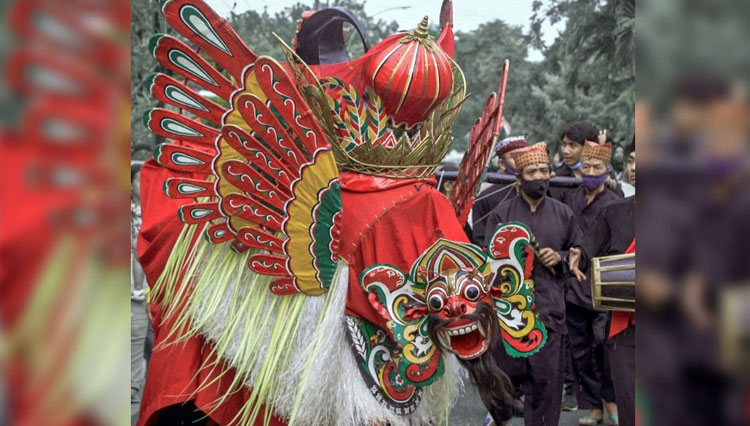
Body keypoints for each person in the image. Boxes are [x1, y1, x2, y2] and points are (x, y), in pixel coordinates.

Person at [484, 142, 580, 426]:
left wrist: (560, 257)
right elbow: (490, 260)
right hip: (510, 311)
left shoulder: (564, 214)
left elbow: (578, 255)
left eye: (543, 170)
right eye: (531, 171)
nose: (538, 177)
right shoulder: (502, 214)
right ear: (518, 178)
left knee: (546, 382)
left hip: (549, 309)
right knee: (505, 378)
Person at [561, 141, 622, 425]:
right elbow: (563, 238)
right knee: (580, 348)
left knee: (604, 345)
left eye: (597, 167)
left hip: (603, 286)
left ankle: (613, 402)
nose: (591, 171)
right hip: (573, 286)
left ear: (607, 169)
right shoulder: (570, 199)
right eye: (586, 167)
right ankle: (594, 407)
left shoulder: (614, 203)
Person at [471, 136, 527, 246]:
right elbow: (480, 239)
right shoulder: (486, 198)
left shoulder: (540, 192)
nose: (522, 161)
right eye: (515, 157)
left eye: (525, 155)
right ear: (502, 164)